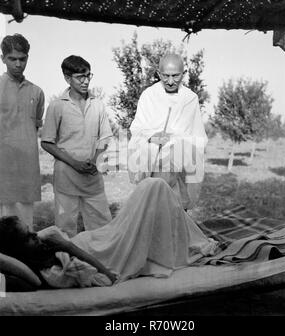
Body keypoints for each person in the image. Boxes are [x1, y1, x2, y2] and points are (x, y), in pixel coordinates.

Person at [0, 178, 218, 290]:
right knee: (154, 187)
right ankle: (183, 238)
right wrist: (66, 246)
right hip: (112, 251)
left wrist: (55, 241)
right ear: (18, 250)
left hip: (103, 238)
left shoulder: (43, 247)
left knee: (154, 191)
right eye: (29, 237)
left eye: (31, 231)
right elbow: (105, 276)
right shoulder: (53, 272)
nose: (35, 235)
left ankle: (183, 235)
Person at [41, 55, 112, 238]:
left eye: (88, 76)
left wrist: (96, 160)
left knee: (103, 227)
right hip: (66, 176)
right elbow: (47, 142)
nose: (86, 81)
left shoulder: (97, 105)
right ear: (67, 78)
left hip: (92, 175)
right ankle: (69, 264)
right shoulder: (57, 106)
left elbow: (105, 137)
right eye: (80, 77)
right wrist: (74, 163)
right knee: (65, 229)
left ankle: (103, 263)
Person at [128, 53, 208, 210]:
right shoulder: (149, 96)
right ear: (158, 74)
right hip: (153, 165)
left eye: (176, 76)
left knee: (177, 210)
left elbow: (198, 136)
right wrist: (151, 137)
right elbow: (137, 129)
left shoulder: (190, 98)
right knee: (154, 210)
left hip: (180, 167)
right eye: (166, 76)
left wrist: (178, 144)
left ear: (183, 74)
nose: (170, 81)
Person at [0, 34, 45, 228]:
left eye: (22, 58)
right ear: (3, 58)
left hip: (27, 166)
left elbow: (34, 126)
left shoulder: (37, 92)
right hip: (3, 166)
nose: (18, 64)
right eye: (12, 59)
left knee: (25, 225)